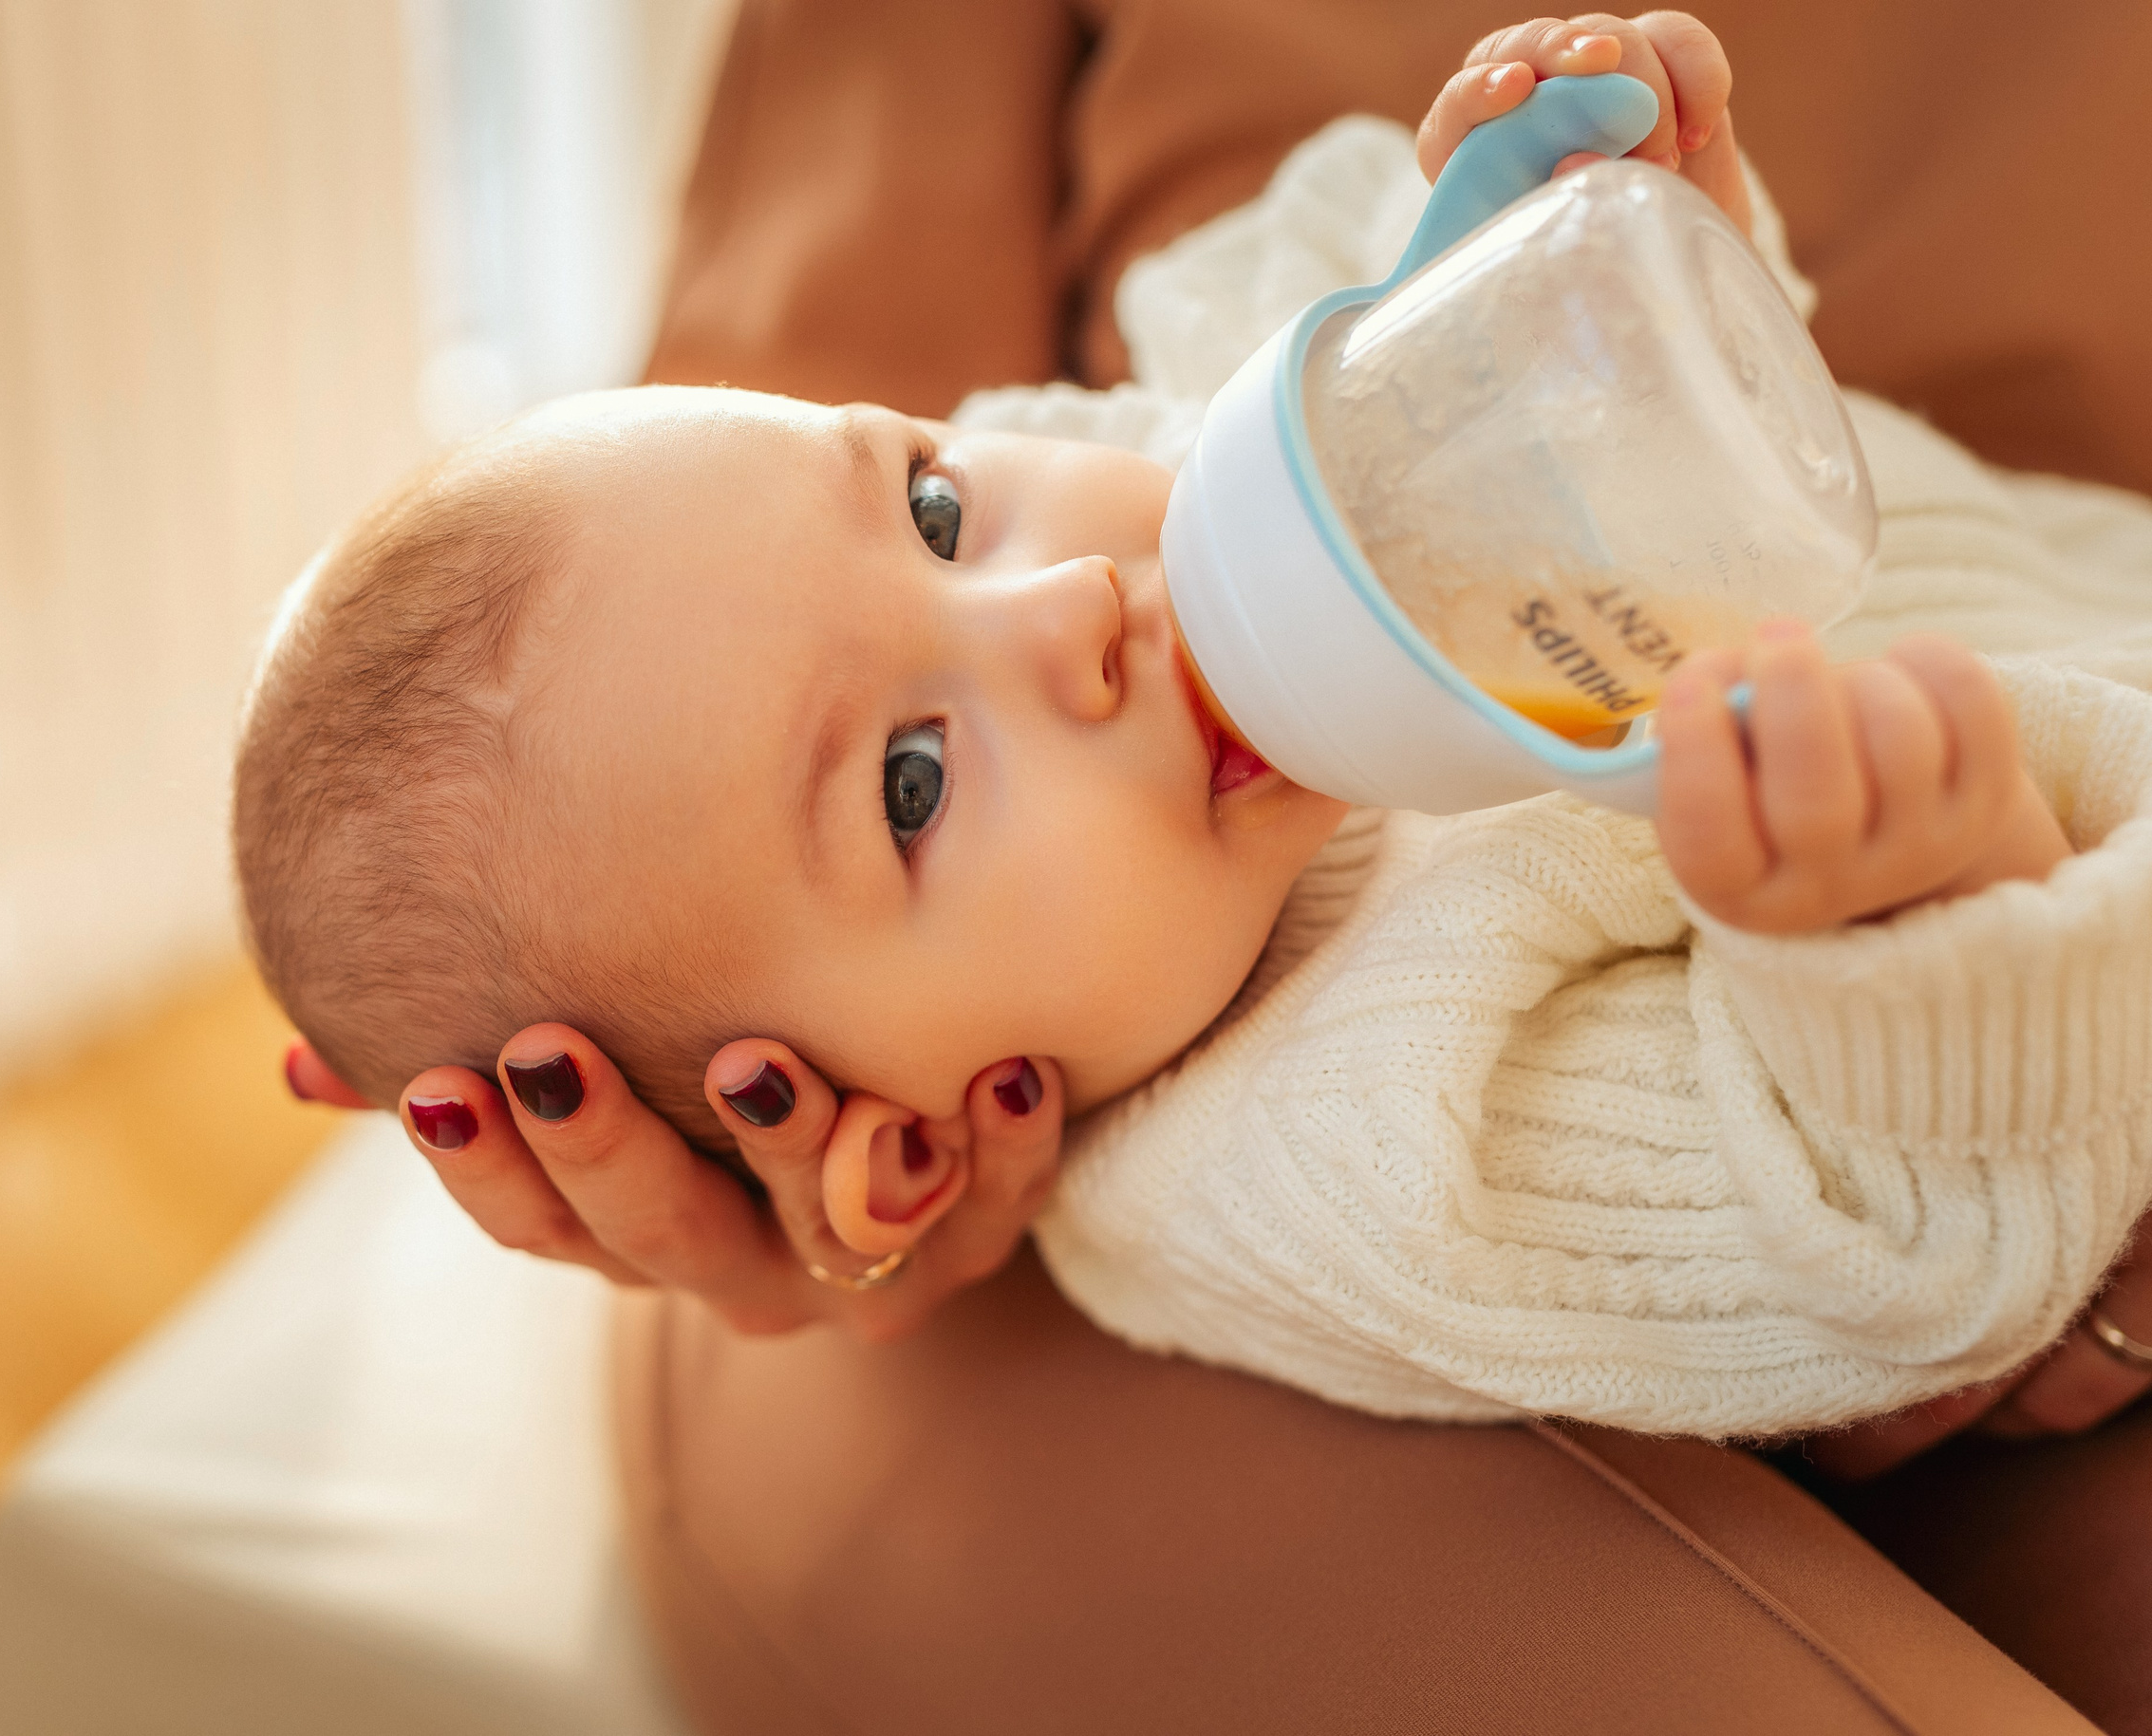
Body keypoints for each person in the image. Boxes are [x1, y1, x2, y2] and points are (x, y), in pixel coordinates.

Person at [290, 6, 2152, 1727]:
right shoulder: (1348, 1155)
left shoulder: (1151, 510)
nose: (1067, 606)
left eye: (933, 504)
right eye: (913, 786)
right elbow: (1890, 1247)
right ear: (899, 1134)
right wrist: (1905, 920)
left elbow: (1322, 345)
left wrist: (1565, 248)